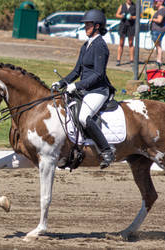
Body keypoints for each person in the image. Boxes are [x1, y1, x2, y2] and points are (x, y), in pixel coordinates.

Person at [52, 9, 116, 169]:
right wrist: (61, 83)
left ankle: (107, 150)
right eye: (85, 24)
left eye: (88, 24)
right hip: (86, 89)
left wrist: (77, 85)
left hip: (99, 90)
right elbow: (76, 71)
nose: (85, 27)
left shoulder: (100, 46)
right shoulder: (86, 45)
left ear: (97, 26)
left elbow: (98, 74)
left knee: (83, 117)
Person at [115, 0, 136, 66]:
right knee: (121, 43)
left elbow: (138, 16)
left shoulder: (135, 6)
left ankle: (131, 60)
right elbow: (117, 15)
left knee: (131, 43)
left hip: (131, 26)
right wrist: (121, 16)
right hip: (123, 26)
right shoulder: (122, 6)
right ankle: (118, 60)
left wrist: (132, 17)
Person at [151, 0, 165, 68]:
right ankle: (158, 59)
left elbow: (159, 20)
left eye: (156, 2)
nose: (155, 4)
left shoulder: (161, 10)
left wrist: (152, 19)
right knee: (157, 45)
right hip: (156, 30)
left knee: (158, 45)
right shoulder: (160, 10)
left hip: (158, 30)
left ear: (160, 2)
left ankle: (159, 60)